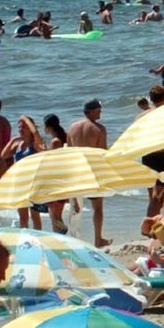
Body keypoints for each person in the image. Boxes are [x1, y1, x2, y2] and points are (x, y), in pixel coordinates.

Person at [66, 98, 111, 246]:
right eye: (98, 109)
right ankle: (98, 238)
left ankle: (73, 240)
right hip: (93, 171)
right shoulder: (99, 129)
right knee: (97, 208)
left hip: (76, 170)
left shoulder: (72, 128)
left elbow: (69, 151)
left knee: (75, 207)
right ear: (91, 111)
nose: (100, 112)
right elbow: (103, 153)